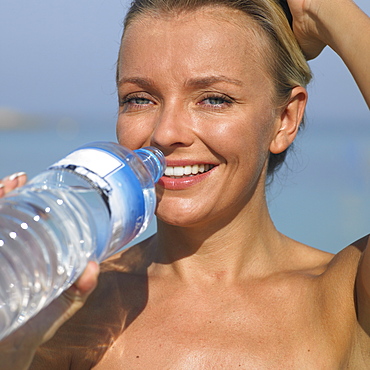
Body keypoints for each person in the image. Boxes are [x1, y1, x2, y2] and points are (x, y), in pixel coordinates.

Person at [1, 0, 369, 368]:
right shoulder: (71, 307)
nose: (165, 133)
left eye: (213, 99)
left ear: (285, 120)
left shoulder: (344, 298)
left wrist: (322, 9)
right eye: (139, 99)